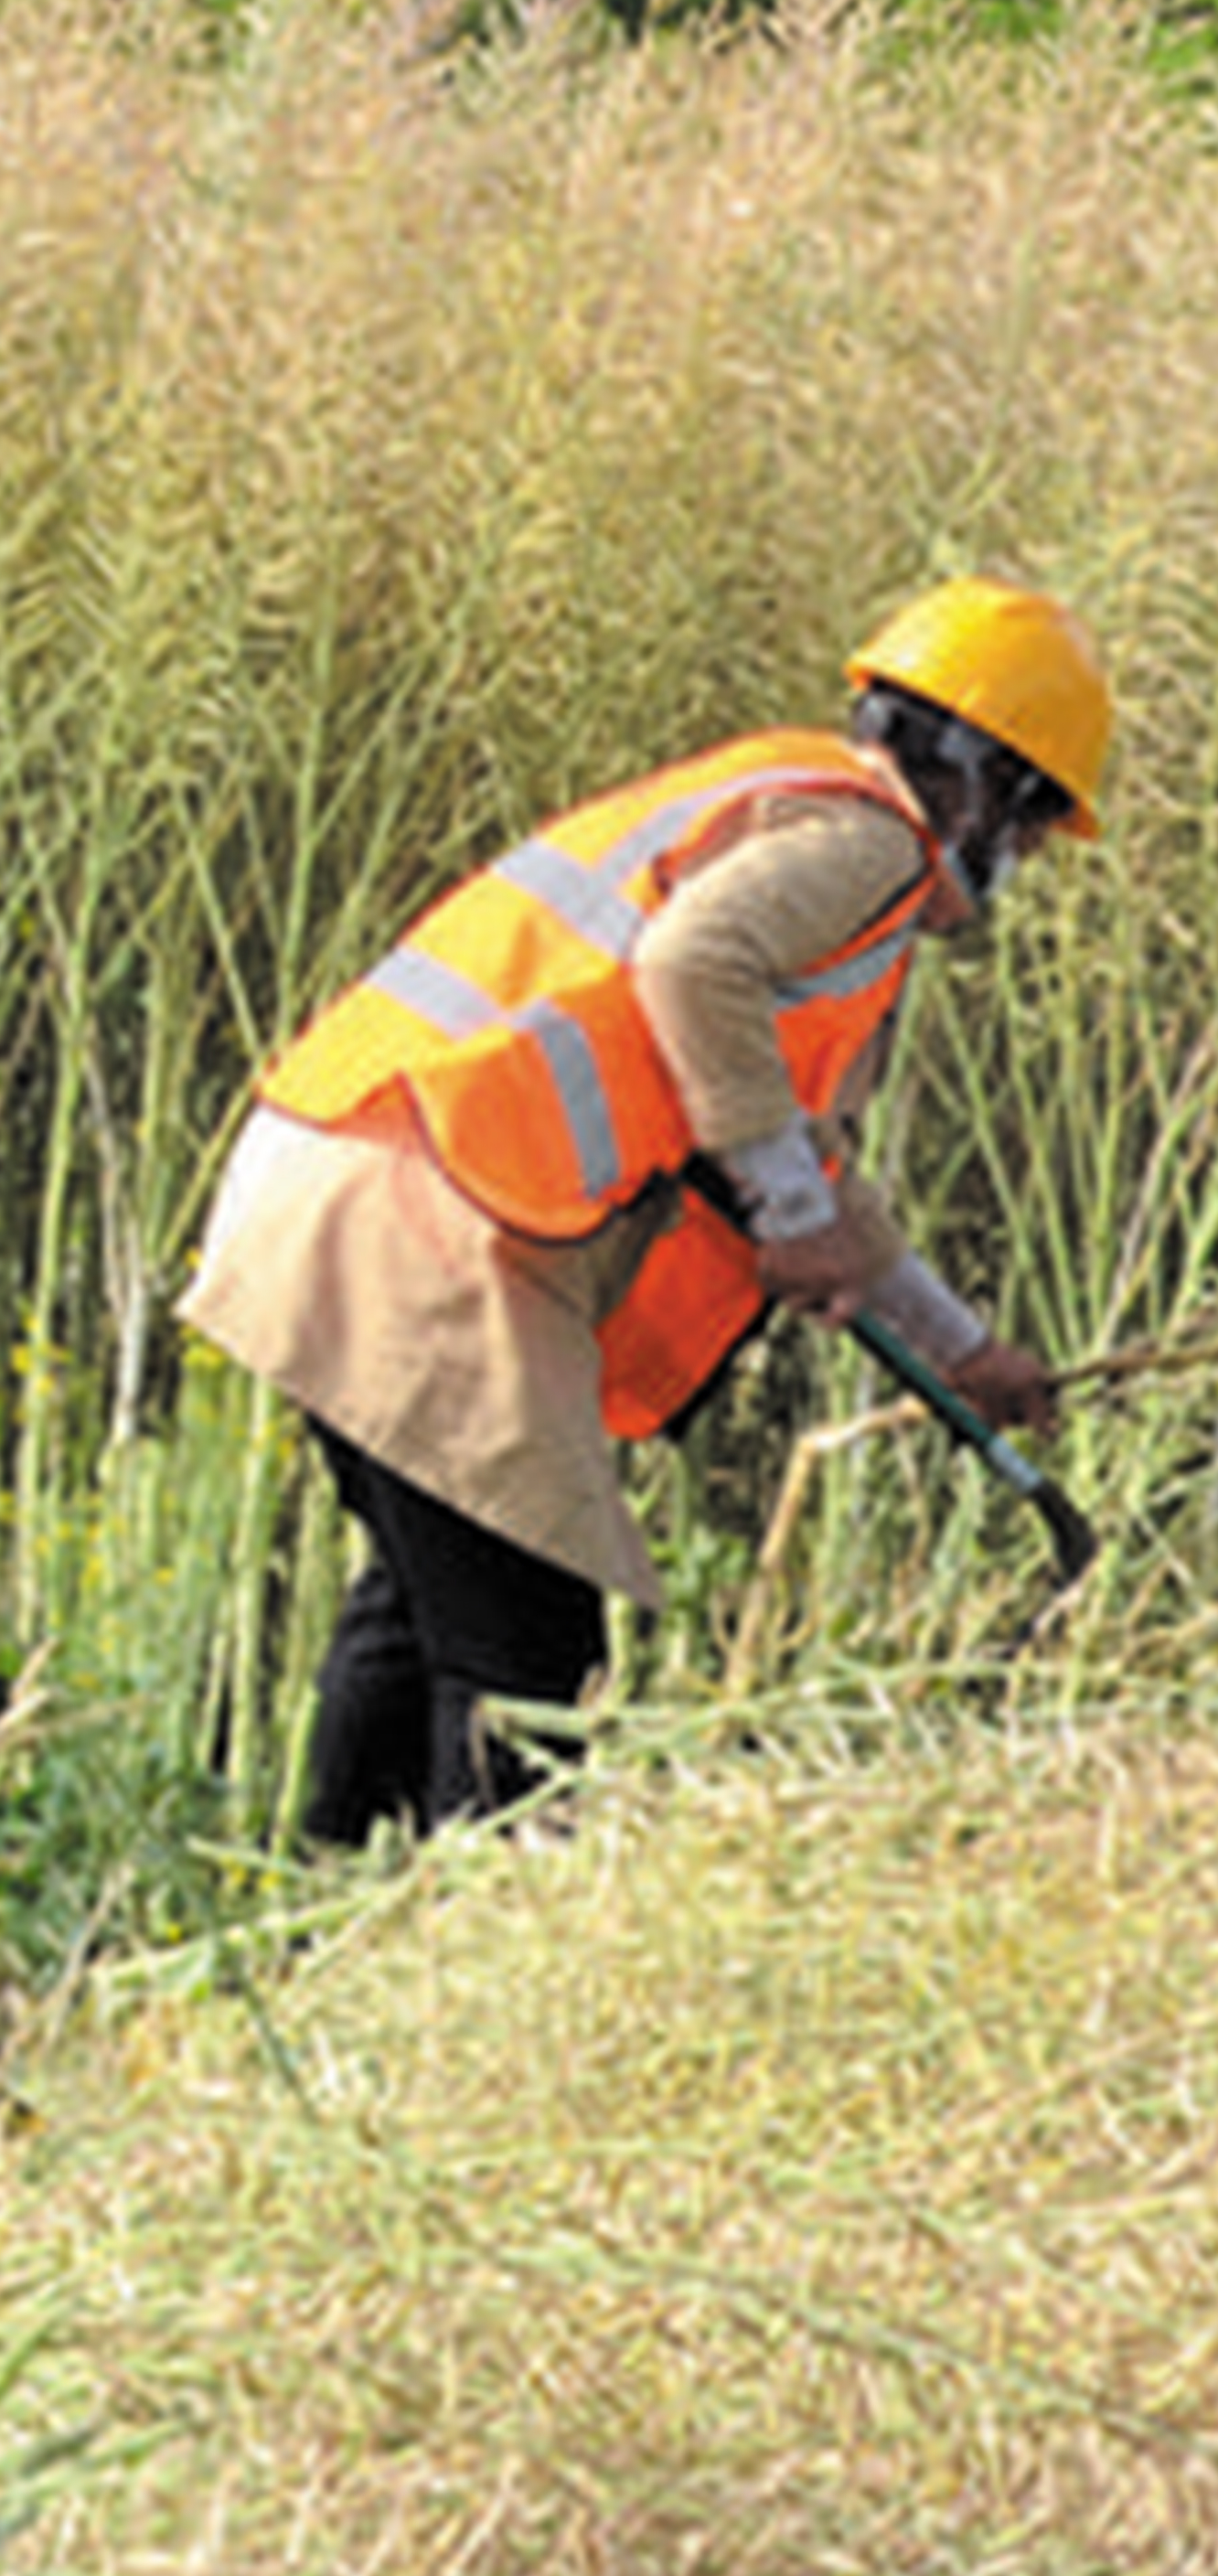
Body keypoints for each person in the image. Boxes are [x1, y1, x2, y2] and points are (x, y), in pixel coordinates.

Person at [184, 576, 1106, 1846]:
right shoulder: (869, 842)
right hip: (429, 1212)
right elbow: (693, 966)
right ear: (983, 784)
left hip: (350, 1169)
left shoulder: (788, 817)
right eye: (1041, 824)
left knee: (425, 1606)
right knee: (530, 1659)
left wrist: (958, 1347)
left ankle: (310, 1919)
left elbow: (804, 1155)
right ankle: (474, 1968)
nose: (1029, 860)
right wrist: (783, 1207)